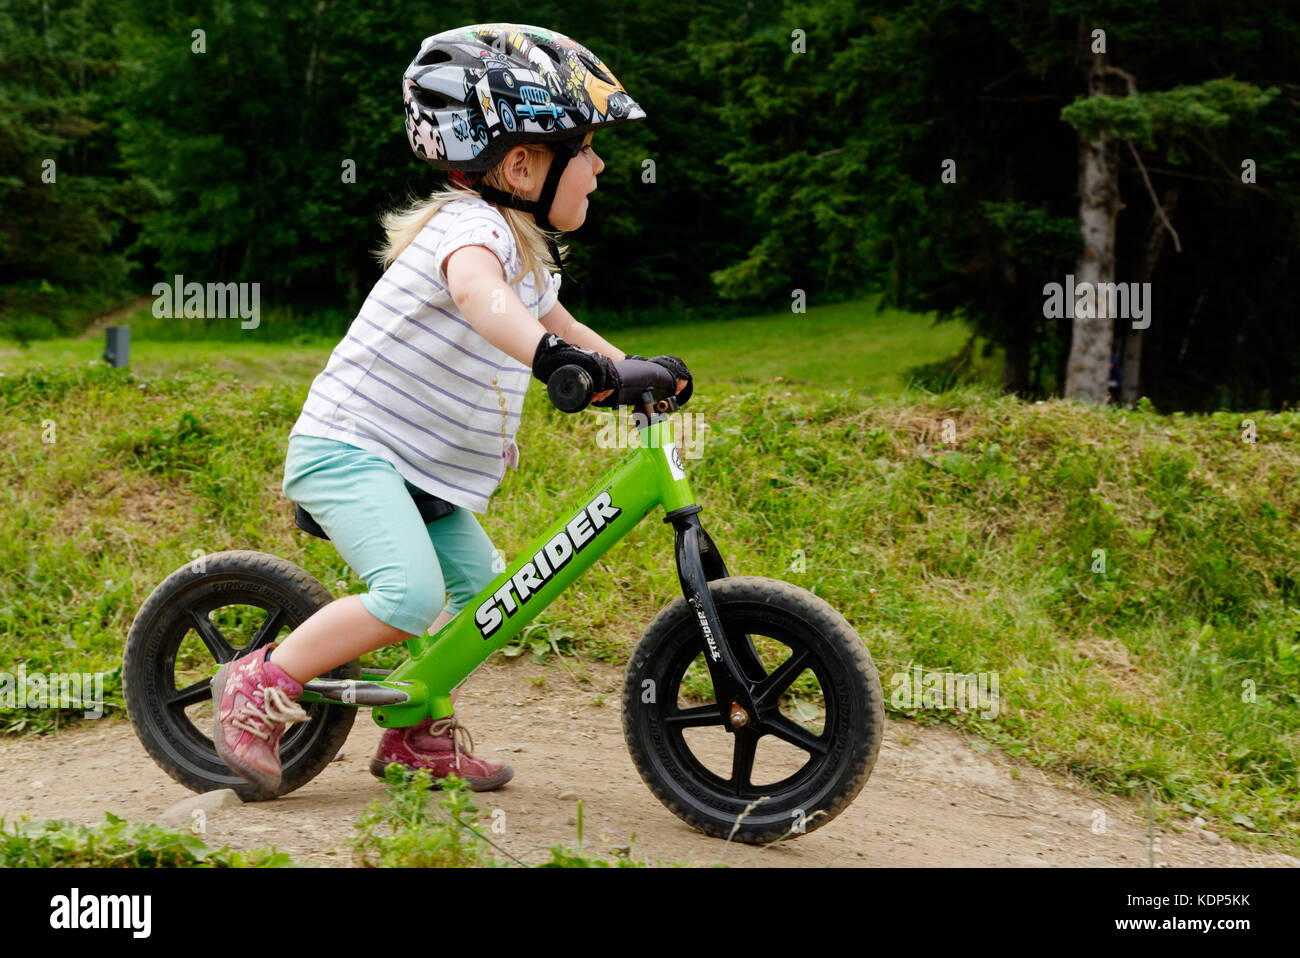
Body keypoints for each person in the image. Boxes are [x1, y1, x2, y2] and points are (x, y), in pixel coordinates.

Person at [210, 24, 692, 793]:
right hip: (353, 449)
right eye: (588, 148)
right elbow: (480, 296)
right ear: (524, 163)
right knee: (410, 595)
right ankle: (257, 681)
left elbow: (564, 331)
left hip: (420, 472)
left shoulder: (528, 255)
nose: (599, 166)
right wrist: (549, 360)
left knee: (486, 593)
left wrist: (633, 373)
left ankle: (415, 727)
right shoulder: (471, 231)